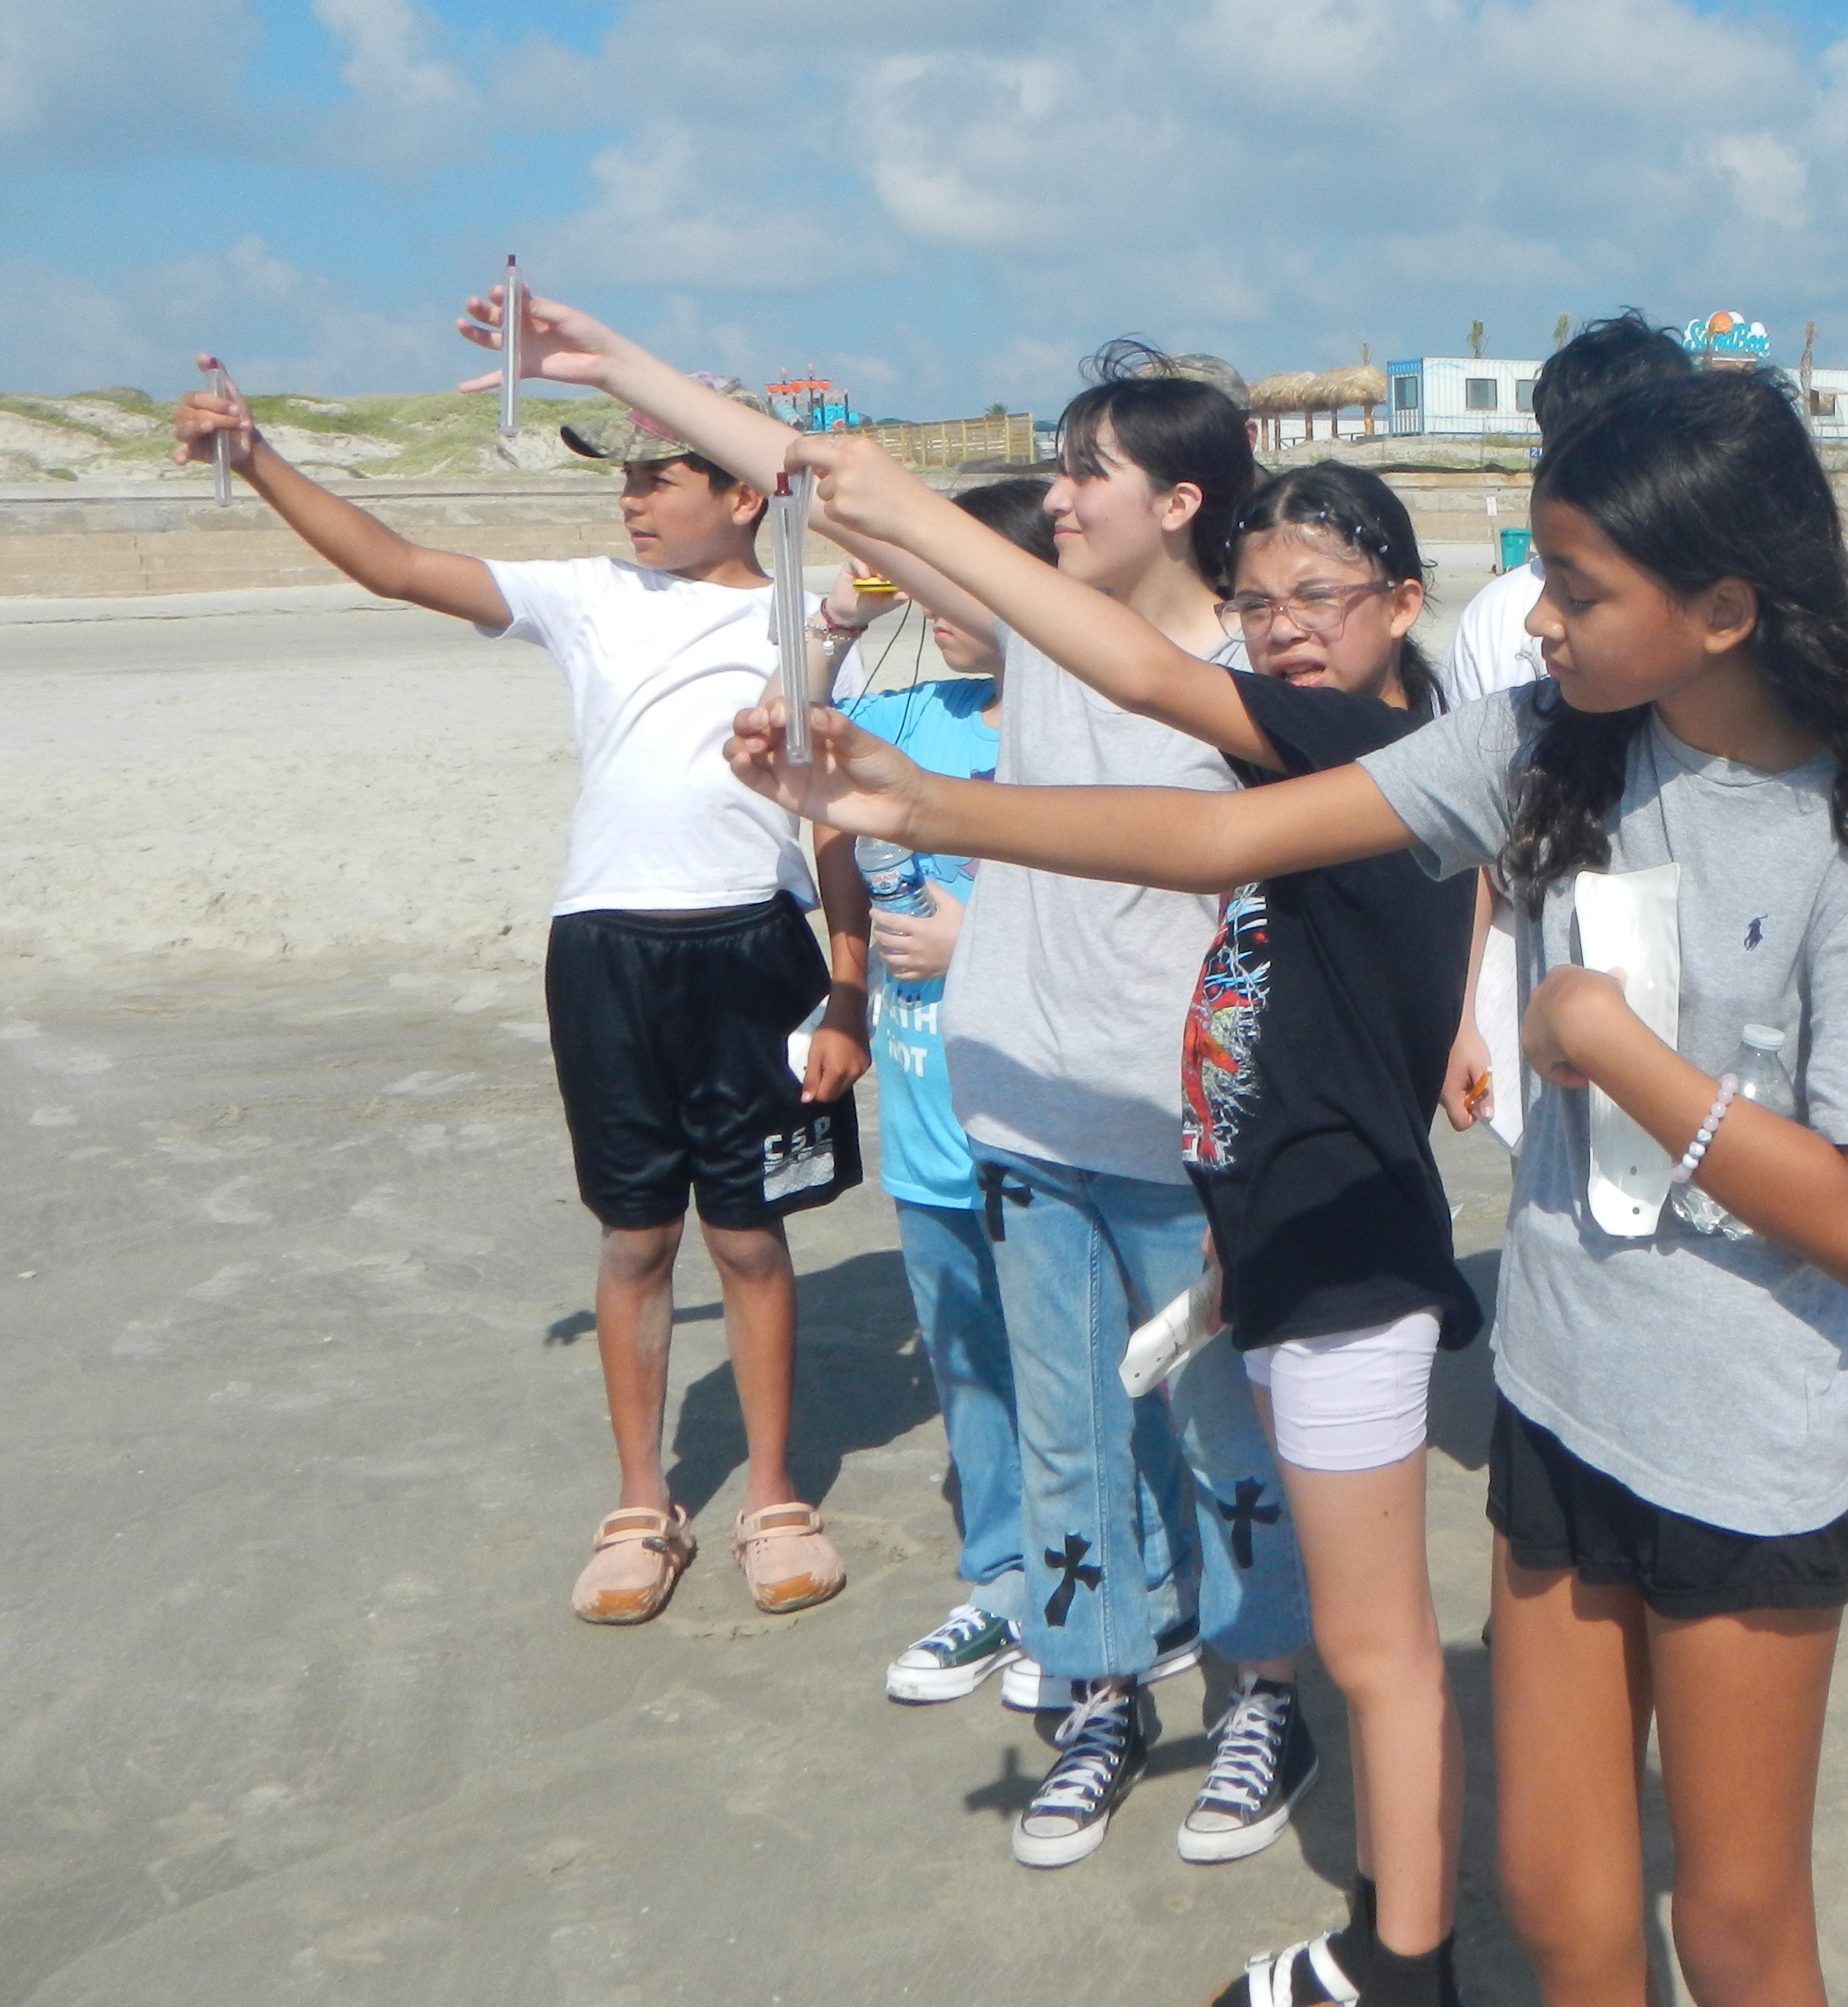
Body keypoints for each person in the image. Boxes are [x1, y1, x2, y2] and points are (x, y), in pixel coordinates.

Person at [727, 366, 1848, 2007]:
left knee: (1738, 1931)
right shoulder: (1547, 746)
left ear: (1723, 610)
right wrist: (921, 803)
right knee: (1558, 1902)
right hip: (1562, 1400)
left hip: (1742, 1447)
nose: (1537, 620)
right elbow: (1225, 839)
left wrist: (1614, 1051)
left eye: (1579, 590)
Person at [470, 301, 1306, 1864]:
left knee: (1219, 1435)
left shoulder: (1249, 676)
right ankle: (1098, 1687)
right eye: (1058, 470)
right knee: (1065, 1435)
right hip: (1025, 1120)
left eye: (1088, 474)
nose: (1057, 497)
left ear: (1181, 502)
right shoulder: (1045, 628)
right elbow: (832, 485)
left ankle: (1264, 1690)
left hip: (1182, 1138)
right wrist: (624, 371)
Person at [787, 438, 1483, 2007]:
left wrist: (930, 777)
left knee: (1364, 1630)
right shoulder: (1333, 743)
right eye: (1263, 603)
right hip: (1242, 1190)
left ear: (1400, 601)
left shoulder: (1370, 747)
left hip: (1332, 1235)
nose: (1285, 628)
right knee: (1177, 1500)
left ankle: (1390, 1934)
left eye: (1320, 598)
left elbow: (1173, 755)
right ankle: (1374, 1924)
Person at [169, 361, 872, 1625]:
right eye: (622, 478)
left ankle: (772, 1492)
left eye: (656, 475)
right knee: (636, 1236)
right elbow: (395, 565)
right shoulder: (586, 597)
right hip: (605, 949)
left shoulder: (808, 617)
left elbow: (834, 819)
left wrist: (848, 990)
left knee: (750, 1235)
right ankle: (642, 1501)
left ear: (741, 494)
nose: (630, 499)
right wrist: (255, 456)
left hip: (755, 949)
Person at [825, 479, 1069, 1706]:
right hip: (925, 1123)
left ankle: (1087, 1594)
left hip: (1041, 1125)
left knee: (1067, 1371)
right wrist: (832, 625)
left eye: (956, 577)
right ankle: (1002, 1577)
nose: (930, 601)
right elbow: (779, 737)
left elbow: (1133, 908)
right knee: (969, 1366)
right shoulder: (910, 711)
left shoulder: (1075, 734)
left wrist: (980, 941)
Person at [1439, 312, 1696, 1157]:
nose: (1548, 625)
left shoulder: (1710, 610)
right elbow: (1471, 836)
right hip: (1536, 948)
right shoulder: (1502, 614)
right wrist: (1460, 1012)